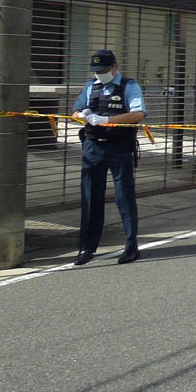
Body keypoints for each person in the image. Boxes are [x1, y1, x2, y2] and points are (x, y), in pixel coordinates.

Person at [72, 49, 146, 266]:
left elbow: (138, 114)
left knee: (124, 197)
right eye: (97, 71)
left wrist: (105, 119)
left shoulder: (129, 86)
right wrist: (82, 115)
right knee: (90, 198)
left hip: (119, 147)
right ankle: (87, 247)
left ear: (115, 67)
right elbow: (75, 111)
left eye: (104, 70)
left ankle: (131, 246)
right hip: (93, 148)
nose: (100, 74)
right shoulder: (90, 86)